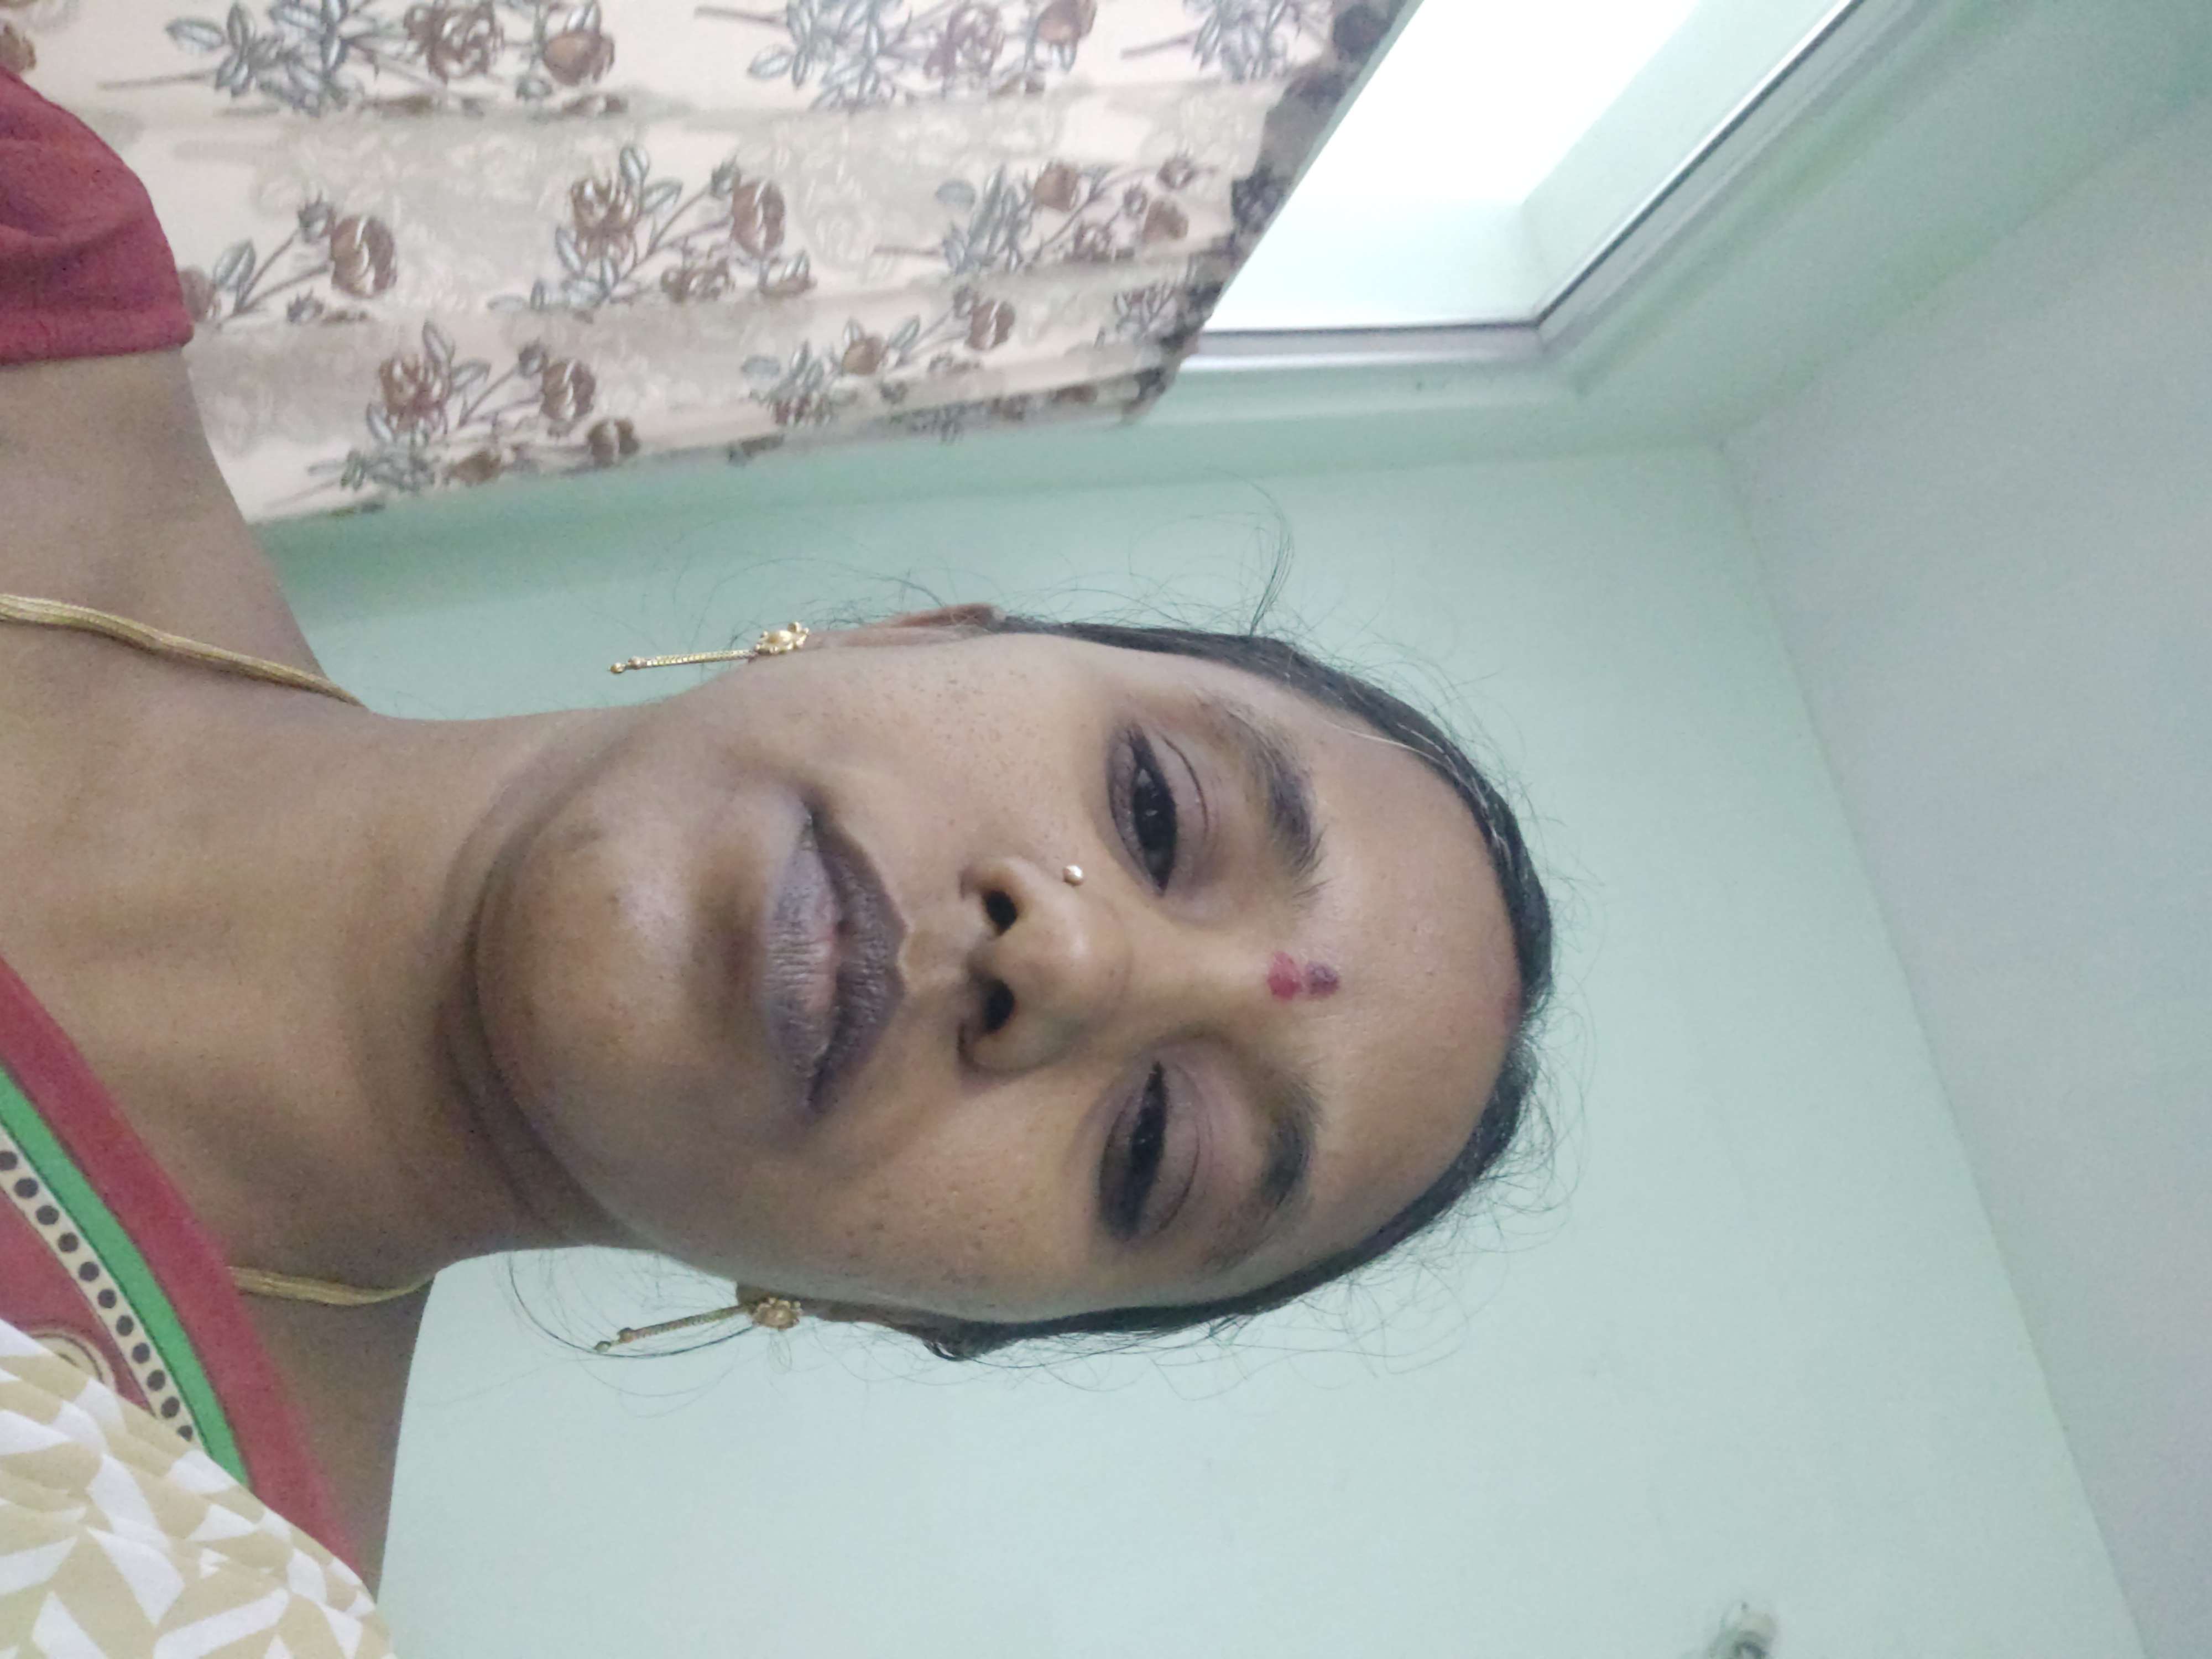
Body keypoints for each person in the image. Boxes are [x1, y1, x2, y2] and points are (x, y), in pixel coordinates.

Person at [0, 64, 1554, 1644]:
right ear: (908, 637)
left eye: (1154, 1146)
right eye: (1155, 809)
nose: (1069, 960)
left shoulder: (176, 1602)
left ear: (907, 1309)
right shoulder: (31, 246)